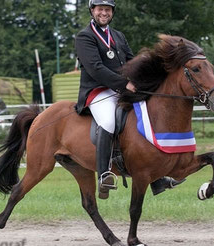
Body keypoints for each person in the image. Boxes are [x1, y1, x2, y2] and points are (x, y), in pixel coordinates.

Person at [75, 0, 184, 199]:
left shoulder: (118, 35)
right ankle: (104, 174)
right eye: (100, 9)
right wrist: (123, 84)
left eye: (107, 10)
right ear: (92, 11)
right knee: (108, 121)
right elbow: (95, 68)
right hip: (97, 91)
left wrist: (147, 75)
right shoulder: (85, 37)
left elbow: (131, 61)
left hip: (120, 89)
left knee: (146, 114)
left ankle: (156, 177)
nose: (104, 13)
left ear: (112, 12)